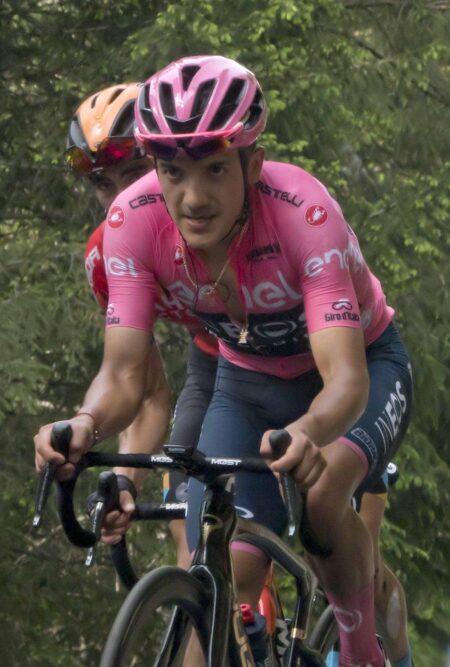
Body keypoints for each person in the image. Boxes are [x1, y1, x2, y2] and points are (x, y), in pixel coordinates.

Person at [35, 56, 414, 667]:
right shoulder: (131, 222)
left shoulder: (304, 211)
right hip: (248, 382)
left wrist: (308, 431)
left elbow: (345, 379)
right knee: (224, 564)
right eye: (172, 171)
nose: (194, 197)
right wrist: (84, 423)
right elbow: (126, 376)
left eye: (214, 168)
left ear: (252, 164)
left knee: (322, 500)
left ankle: (359, 649)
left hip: (362, 369)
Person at [64, 82, 219, 567]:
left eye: (132, 175)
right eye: (102, 185)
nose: (118, 201)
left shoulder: (215, 217)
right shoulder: (107, 255)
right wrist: (127, 482)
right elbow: (146, 392)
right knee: (189, 529)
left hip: (304, 359)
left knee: (335, 540)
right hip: (216, 364)